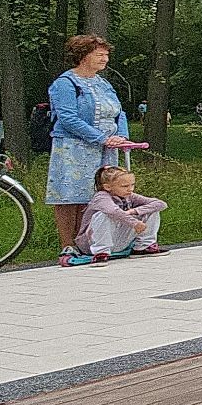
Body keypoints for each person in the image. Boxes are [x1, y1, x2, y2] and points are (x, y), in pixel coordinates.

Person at [46, 34, 129, 260]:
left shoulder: (103, 83)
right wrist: (101, 137)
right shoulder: (65, 83)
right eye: (100, 54)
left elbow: (119, 112)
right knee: (70, 195)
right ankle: (68, 243)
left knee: (98, 194)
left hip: (106, 149)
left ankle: (89, 241)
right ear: (83, 56)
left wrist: (121, 136)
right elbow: (67, 118)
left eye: (106, 55)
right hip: (73, 147)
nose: (105, 59)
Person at [70, 165, 169, 265]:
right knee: (104, 214)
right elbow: (113, 211)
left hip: (117, 241)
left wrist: (134, 211)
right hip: (91, 244)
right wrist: (134, 223)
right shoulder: (101, 197)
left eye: (132, 185)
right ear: (108, 187)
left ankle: (143, 247)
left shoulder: (129, 196)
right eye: (125, 186)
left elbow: (160, 204)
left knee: (151, 210)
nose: (130, 189)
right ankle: (100, 252)